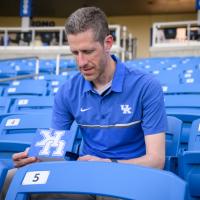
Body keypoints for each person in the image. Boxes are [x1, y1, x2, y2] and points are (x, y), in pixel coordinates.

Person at [1, 6, 167, 199]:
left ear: (108, 43)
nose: (80, 62)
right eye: (75, 53)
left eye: (88, 51)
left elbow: (156, 160)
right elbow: (53, 149)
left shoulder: (146, 86)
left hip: (129, 175)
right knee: (13, 178)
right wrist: (35, 157)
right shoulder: (68, 91)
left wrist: (109, 164)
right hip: (83, 175)